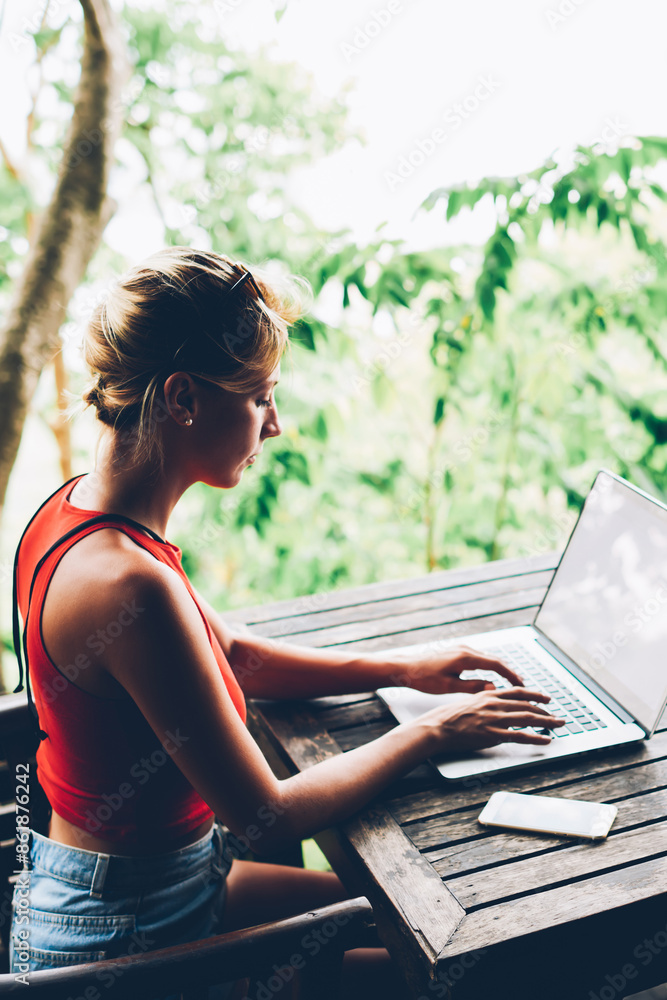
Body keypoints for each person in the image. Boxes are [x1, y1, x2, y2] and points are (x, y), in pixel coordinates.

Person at [9, 246, 563, 996]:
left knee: (422, 921)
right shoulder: (126, 585)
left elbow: (227, 655)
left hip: (147, 886)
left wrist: (401, 670)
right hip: (127, 937)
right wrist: (428, 730)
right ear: (182, 399)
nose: (275, 424)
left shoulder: (74, 512)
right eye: (261, 396)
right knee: (453, 970)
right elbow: (266, 819)